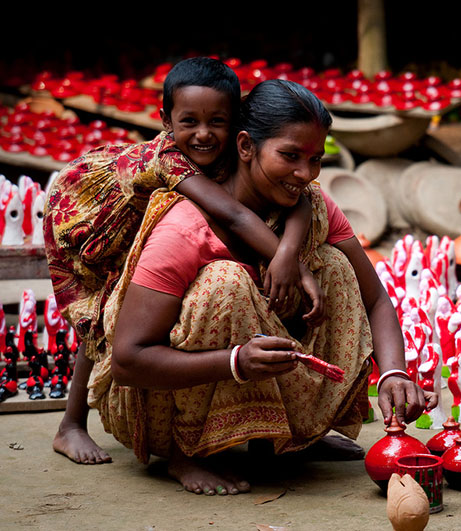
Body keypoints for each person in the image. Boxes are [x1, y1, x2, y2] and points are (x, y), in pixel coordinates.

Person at [87, 79, 431, 495]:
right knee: (225, 282)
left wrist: (394, 373)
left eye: (315, 159)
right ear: (246, 146)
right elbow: (128, 361)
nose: (305, 174)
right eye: (290, 156)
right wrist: (235, 361)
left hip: (250, 366)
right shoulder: (185, 227)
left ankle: (286, 437)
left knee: (336, 267)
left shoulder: (312, 205)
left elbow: (375, 299)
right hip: (153, 405)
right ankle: (186, 454)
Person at [45, 58, 323, 465]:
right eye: (189, 121)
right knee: (104, 314)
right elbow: (234, 215)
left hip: (147, 219)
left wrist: (288, 250)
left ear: (236, 122)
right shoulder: (170, 158)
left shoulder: (231, 150)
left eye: (218, 121)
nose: (204, 133)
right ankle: (70, 424)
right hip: (88, 223)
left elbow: (302, 199)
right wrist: (293, 267)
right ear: (165, 120)